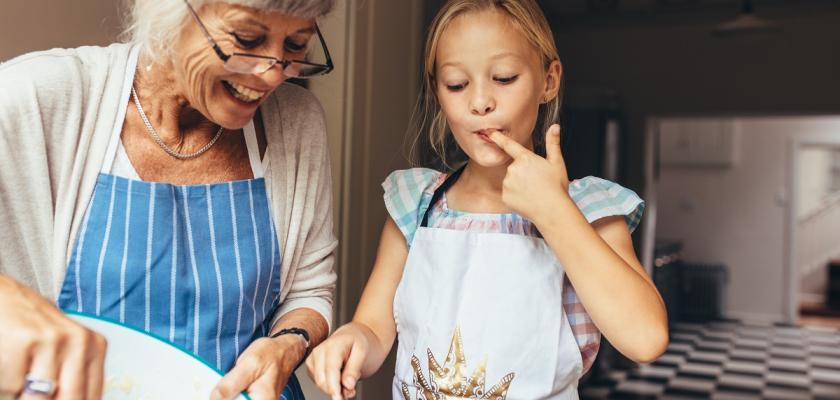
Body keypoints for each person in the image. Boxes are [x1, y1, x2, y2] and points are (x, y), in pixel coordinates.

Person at [305, 0, 669, 398]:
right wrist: (353, 340)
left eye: (504, 77)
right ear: (437, 94)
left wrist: (555, 213)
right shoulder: (416, 205)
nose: (480, 102)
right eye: (457, 84)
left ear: (549, 80)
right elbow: (374, 328)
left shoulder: (590, 209)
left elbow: (645, 339)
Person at [0, 0, 338, 399]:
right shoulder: (37, 96)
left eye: (296, 46)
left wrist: (288, 343)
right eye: (247, 38)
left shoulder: (298, 122)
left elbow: (310, 289)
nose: (271, 73)